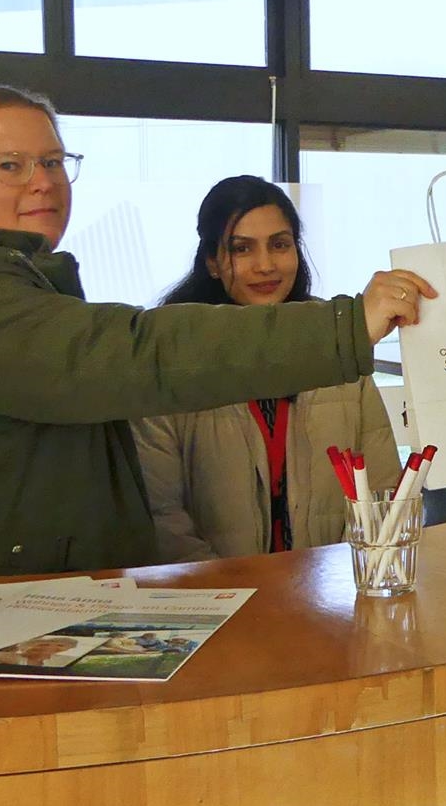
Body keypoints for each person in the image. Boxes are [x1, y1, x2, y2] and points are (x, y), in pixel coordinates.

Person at [0, 84, 433, 581]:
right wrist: (348, 325)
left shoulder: (3, 280)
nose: (42, 181)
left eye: (54, 162)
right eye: (9, 165)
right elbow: (136, 355)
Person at [133, 176, 399, 560]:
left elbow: (381, 491)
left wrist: (338, 580)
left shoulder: (338, 350)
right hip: (216, 601)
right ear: (211, 261)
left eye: (280, 244)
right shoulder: (174, 355)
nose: (266, 265)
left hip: (329, 596)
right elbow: (160, 516)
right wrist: (234, 591)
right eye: (242, 249)